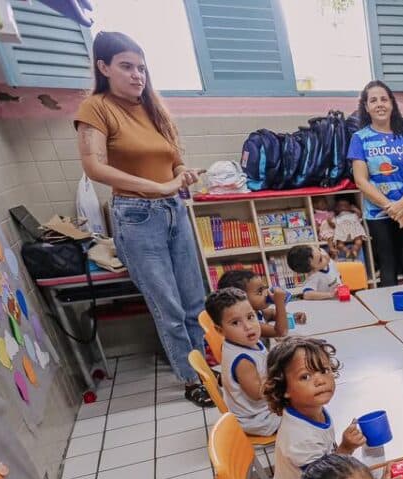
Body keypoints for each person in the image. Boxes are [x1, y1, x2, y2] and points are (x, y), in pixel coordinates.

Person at [74, 31, 211, 407]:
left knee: (194, 299)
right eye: (126, 66)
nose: (137, 75)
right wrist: (159, 188)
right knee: (167, 305)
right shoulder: (96, 108)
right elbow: (94, 167)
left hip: (172, 212)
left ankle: (205, 364)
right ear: (103, 68)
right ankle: (191, 378)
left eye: (142, 68)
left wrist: (182, 175)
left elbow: (173, 157)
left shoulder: (153, 108)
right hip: (136, 216)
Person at [261, 337, 367, 479]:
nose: (320, 380)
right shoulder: (301, 437)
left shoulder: (312, 410)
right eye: (305, 376)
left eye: (324, 370)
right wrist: (346, 448)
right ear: (284, 388)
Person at [349, 81, 403, 287]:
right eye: (373, 100)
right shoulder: (359, 138)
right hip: (377, 213)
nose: (379, 104)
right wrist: (392, 208)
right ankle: (390, 316)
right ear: (366, 107)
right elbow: (361, 181)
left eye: (384, 99)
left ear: (392, 103)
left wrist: (401, 205)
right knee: (387, 266)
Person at [204, 288, 279, 436]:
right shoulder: (243, 361)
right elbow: (258, 393)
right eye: (236, 323)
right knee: (304, 409)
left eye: (250, 317)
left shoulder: (246, 342)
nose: (248, 326)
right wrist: (283, 380)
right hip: (258, 419)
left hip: (259, 410)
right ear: (220, 331)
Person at [217, 269, 301, 338]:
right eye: (260, 291)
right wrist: (280, 304)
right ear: (241, 299)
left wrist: (292, 316)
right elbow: (281, 332)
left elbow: (272, 314)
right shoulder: (248, 323)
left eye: (264, 288)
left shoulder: (258, 311)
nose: (266, 292)